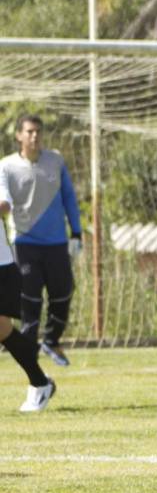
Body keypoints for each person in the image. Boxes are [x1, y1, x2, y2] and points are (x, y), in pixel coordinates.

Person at [0, 115, 83, 367]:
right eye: (29, 131)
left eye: (38, 131)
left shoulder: (55, 161)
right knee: (30, 299)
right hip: (25, 242)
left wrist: (76, 233)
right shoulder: (6, 166)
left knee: (63, 292)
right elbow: (4, 201)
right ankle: (29, 352)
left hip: (56, 242)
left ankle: (51, 340)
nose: (34, 136)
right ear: (19, 136)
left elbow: (69, 197)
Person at [0, 176, 57, 412]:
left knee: (1, 328)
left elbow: (5, 205)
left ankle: (40, 381)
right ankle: (40, 381)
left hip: (1, 267)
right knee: (3, 330)